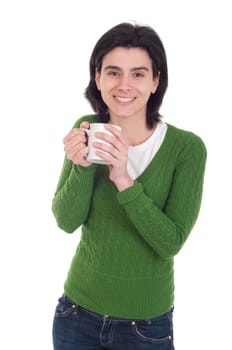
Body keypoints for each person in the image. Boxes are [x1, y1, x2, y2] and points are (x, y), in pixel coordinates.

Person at [51, 22, 207, 350]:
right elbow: (66, 221)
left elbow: (170, 242)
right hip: (76, 315)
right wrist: (81, 167)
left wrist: (123, 179)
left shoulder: (186, 148)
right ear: (98, 78)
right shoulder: (87, 128)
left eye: (137, 74)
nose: (124, 85)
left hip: (145, 328)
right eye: (113, 72)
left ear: (155, 81)